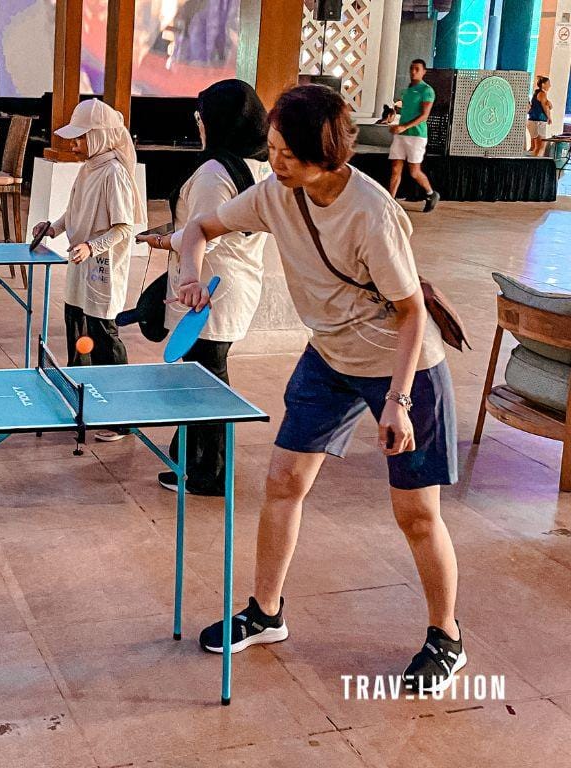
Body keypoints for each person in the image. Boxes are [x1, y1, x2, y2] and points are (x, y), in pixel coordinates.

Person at [172, 84, 463, 693]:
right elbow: (198, 228)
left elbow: (412, 312)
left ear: (325, 158)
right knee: (283, 480)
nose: (274, 162)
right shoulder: (276, 193)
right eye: (272, 148)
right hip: (329, 357)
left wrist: (399, 402)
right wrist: (192, 278)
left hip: (402, 365)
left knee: (416, 513)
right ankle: (266, 612)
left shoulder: (371, 213)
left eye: (287, 154)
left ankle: (446, 637)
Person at [137, 79, 270, 495]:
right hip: (234, 286)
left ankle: (210, 472)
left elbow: (202, 233)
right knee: (203, 375)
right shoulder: (259, 165)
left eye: (201, 117)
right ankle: (188, 457)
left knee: (207, 381)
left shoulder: (214, 172)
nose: (198, 124)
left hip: (209, 291)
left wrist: (162, 241)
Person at [31, 98, 146, 442]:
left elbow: (124, 228)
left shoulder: (114, 173)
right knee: (77, 328)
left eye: (80, 138)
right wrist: (53, 228)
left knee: (103, 337)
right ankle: (83, 405)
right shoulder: (89, 168)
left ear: (98, 136)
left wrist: (92, 247)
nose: (74, 145)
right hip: (80, 263)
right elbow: (73, 211)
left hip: (102, 268)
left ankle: (120, 417)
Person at [387, 59, 440, 212]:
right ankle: (390, 201)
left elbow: (424, 115)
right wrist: (393, 118)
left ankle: (431, 194)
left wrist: (404, 126)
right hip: (401, 135)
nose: (413, 71)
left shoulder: (427, 91)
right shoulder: (406, 91)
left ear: (424, 72)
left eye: (417, 69)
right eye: (411, 68)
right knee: (395, 169)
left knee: (414, 171)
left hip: (417, 136)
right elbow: (404, 111)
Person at [528, 76, 552, 158]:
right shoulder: (542, 94)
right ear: (543, 84)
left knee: (535, 146)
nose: (550, 85)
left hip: (534, 121)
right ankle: (534, 162)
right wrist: (549, 117)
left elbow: (546, 105)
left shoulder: (537, 93)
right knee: (540, 146)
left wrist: (550, 105)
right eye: (548, 83)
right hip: (538, 121)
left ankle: (533, 160)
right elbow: (545, 107)